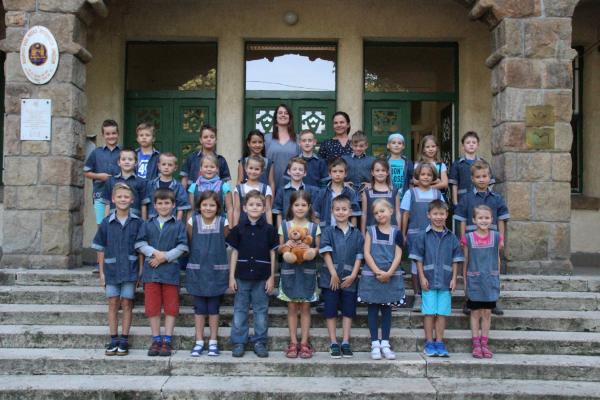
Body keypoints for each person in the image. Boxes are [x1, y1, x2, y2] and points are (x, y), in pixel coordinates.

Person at [135, 188, 188, 357]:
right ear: (155, 205)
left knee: (171, 307)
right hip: (151, 273)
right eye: (160, 203)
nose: (163, 206)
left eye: (167, 203)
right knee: (153, 307)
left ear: (173, 205)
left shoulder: (178, 225)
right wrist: (155, 253)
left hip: (170, 273)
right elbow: (140, 243)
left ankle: (167, 340)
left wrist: (165, 257)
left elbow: (183, 246)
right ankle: (156, 339)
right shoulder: (147, 224)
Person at [92, 183, 143, 356]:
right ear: (113, 199)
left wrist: (140, 271)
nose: (123, 199)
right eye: (119, 197)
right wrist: (101, 273)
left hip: (130, 270)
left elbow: (140, 248)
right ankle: (113, 339)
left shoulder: (137, 222)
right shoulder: (106, 223)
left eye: (126, 197)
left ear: (132, 200)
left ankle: (124, 339)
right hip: (111, 270)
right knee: (113, 303)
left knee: (127, 303)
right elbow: (100, 248)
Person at [454, 160, 509, 316]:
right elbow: (462, 220)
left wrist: (501, 239)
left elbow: (501, 220)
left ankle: (492, 300)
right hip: (472, 242)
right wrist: (463, 239)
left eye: (484, 176)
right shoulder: (466, 198)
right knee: (470, 269)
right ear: (472, 179)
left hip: (491, 241)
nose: (481, 179)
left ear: (489, 177)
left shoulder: (497, 198)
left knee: (492, 269)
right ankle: (469, 299)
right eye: (478, 177)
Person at [227, 191, 278, 358]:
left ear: (264, 209)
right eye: (251, 205)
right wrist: (231, 277)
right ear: (244, 208)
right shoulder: (238, 229)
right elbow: (234, 253)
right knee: (240, 310)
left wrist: (271, 277)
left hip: (262, 277)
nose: (255, 207)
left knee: (261, 310)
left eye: (258, 205)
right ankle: (238, 342)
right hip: (241, 276)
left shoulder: (270, 230)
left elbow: (272, 253)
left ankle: (259, 341)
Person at [409, 200, 464, 357]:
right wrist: (421, 277)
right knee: (429, 312)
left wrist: (454, 278)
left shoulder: (452, 237)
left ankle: (439, 342)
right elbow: (418, 259)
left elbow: (456, 260)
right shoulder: (422, 236)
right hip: (429, 280)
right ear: (428, 215)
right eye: (435, 214)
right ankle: (429, 342)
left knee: (442, 313)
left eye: (441, 214)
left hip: (446, 281)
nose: (438, 217)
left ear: (447, 215)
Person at [357, 199, 405, 360]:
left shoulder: (397, 232)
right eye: (376, 213)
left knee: (386, 310)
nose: (379, 215)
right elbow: (367, 253)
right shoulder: (370, 231)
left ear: (391, 211)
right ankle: (374, 344)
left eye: (382, 211)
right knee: (372, 309)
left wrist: (389, 273)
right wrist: (378, 271)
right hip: (372, 276)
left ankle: (385, 343)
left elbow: (398, 255)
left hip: (390, 276)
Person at [319, 194, 364, 358]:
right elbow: (325, 252)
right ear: (332, 211)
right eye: (337, 209)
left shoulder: (357, 233)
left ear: (350, 211)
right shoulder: (328, 231)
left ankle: (345, 342)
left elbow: (359, 255)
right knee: (330, 311)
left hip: (349, 280)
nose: (341, 212)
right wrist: (333, 273)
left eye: (344, 209)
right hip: (330, 279)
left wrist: (353, 275)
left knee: (348, 311)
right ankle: (333, 342)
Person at [186, 191, 230, 357]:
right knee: (199, 308)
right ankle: (199, 341)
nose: (208, 208)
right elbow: (190, 239)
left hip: (216, 272)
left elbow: (227, 241)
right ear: (199, 206)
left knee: (213, 308)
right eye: (205, 204)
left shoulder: (223, 222)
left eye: (212, 205)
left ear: (218, 207)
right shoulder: (193, 221)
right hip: (197, 271)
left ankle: (213, 341)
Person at [278, 191, 320, 359]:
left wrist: (311, 251)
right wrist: (286, 246)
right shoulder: (284, 225)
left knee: (305, 307)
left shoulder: (314, 227)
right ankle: (293, 342)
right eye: (297, 205)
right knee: (292, 307)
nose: (300, 208)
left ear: (309, 206)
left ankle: (304, 342)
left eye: (303, 205)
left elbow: (318, 248)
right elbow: (280, 249)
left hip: (307, 271)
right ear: (291, 206)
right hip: (290, 271)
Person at [401, 163, 444, 311]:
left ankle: (430, 295)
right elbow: (405, 214)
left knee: (431, 263)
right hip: (415, 235)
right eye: (423, 174)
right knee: (416, 264)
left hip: (434, 235)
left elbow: (442, 214)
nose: (426, 177)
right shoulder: (410, 193)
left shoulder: (437, 194)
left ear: (433, 177)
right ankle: (417, 296)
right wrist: (403, 233)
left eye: (429, 175)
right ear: (417, 177)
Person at [463, 205, 501, 359]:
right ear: (474, 220)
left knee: (487, 313)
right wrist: (465, 280)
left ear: (492, 219)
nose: (484, 221)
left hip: (490, 280)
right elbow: (466, 260)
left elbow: (497, 257)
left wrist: (497, 277)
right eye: (480, 218)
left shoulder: (497, 236)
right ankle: (476, 344)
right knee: (475, 313)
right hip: (475, 280)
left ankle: (484, 343)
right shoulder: (468, 238)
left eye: (487, 218)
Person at [84, 119, 121, 225]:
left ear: (118, 134)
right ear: (103, 135)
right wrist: (99, 176)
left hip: (119, 195)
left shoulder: (123, 151)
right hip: (100, 194)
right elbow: (86, 172)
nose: (111, 136)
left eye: (113, 133)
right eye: (107, 134)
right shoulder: (96, 153)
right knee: (101, 225)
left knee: (117, 225)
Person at [448, 131, 494, 206]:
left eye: (474, 142)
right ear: (463, 146)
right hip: (463, 200)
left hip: (481, 200)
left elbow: (490, 183)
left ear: (478, 145)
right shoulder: (457, 164)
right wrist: (455, 203)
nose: (471, 144)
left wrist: (487, 199)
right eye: (468, 142)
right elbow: (454, 185)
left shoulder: (484, 163)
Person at [272, 157, 320, 229]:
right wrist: (280, 230)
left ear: (305, 173)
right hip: (288, 229)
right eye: (294, 169)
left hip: (307, 229)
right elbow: (278, 212)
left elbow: (315, 213)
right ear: (288, 171)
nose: (297, 172)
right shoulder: (282, 191)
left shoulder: (312, 191)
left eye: (300, 170)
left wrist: (315, 231)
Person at [181, 124, 231, 189]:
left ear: (216, 140)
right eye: (205, 137)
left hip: (215, 194)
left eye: (212, 137)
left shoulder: (221, 160)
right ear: (200, 140)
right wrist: (183, 195)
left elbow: (225, 183)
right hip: (193, 194)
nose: (209, 139)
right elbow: (184, 180)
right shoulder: (191, 158)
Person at [187, 154, 234, 224]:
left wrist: (230, 227)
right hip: (198, 225)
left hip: (220, 224)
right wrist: (188, 227)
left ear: (217, 169)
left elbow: (230, 209)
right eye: (206, 167)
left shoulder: (224, 186)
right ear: (200, 168)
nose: (209, 169)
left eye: (212, 167)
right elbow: (191, 210)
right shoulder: (193, 187)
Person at [315, 157, 361, 228]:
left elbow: (354, 215)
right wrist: (319, 232)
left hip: (345, 231)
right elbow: (316, 214)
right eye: (334, 171)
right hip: (326, 229)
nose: (337, 174)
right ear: (329, 174)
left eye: (341, 171)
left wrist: (353, 232)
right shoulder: (322, 192)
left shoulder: (350, 193)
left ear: (345, 173)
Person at [102, 149, 147, 219]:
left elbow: (143, 204)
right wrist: (106, 222)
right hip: (114, 219)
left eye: (130, 159)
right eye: (123, 159)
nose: (127, 162)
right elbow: (107, 204)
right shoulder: (110, 181)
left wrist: (144, 223)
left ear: (136, 163)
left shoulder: (141, 182)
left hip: (135, 220)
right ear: (118, 162)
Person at [143, 152, 190, 220]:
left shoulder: (178, 186)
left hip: (171, 221)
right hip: (153, 221)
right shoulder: (150, 185)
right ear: (159, 166)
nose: (166, 167)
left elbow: (180, 208)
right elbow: (145, 204)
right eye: (163, 164)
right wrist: (145, 222)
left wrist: (177, 224)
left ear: (175, 168)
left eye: (170, 165)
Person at [265, 104, 300, 192]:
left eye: (286, 113)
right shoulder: (266, 138)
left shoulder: (298, 139)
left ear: (290, 117)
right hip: (270, 185)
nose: (283, 115)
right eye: (280, 113)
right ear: (275, 117)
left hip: (293, 186)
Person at [361, 159, 400, 235]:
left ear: (387, 172)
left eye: (383, 170)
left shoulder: (394, 191)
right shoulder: (367, 192)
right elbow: (364, 214)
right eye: (377, 170)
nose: (380, 173)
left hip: (391, 232)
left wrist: (399, 231)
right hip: (372, 232)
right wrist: (363, 233)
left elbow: (398, 213)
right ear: (372, 172)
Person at [233, 156, 273, 226]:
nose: (253, 171)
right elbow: (237, 210)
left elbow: (268, 210)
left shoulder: (266, 188)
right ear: (246, 168)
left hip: (261, 227)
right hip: (243, 226)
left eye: (257, 169)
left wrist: (270, 228)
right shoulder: (239, 189)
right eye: (251, 168)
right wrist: (234, 228)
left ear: (262, 171)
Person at [387, 132, 414, 198]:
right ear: (388, 145)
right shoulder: (384, 162)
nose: (396, 145)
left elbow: (412, 180)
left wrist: (410, 195)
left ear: (403, 146)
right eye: (393, 143)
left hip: (404, 196)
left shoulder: (408, 162)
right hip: (388, 196)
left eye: (399, 143)